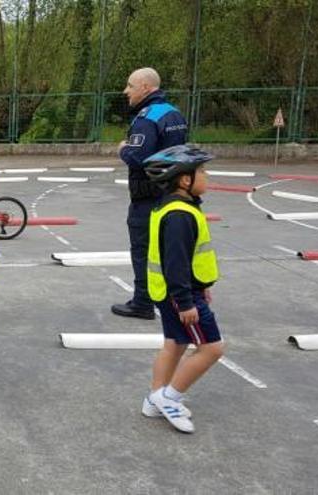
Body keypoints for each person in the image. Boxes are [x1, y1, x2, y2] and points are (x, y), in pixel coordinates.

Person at [140, 145, 224, 434]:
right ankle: (169, 397)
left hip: (176, 292)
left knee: (175, 344)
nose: (206, 176)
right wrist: (187, 300)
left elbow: (186, 260)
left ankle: (154, 399)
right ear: (184, 180)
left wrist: (200, 287)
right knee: (212, 348)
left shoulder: (174, 208)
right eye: (201, 171)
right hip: (180, 296)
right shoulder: (180, 215)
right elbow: (175, 263)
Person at [112, 67, 188, 320]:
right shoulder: (174, 114)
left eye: (130, 85)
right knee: (170, 249)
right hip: (173, 192)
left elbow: (137, 156)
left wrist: (123, 148)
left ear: (145, 86)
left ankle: (143, 302)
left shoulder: (147, 118)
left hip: (148, 195)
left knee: (143, 249)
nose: (126, 91)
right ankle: (175, 299)